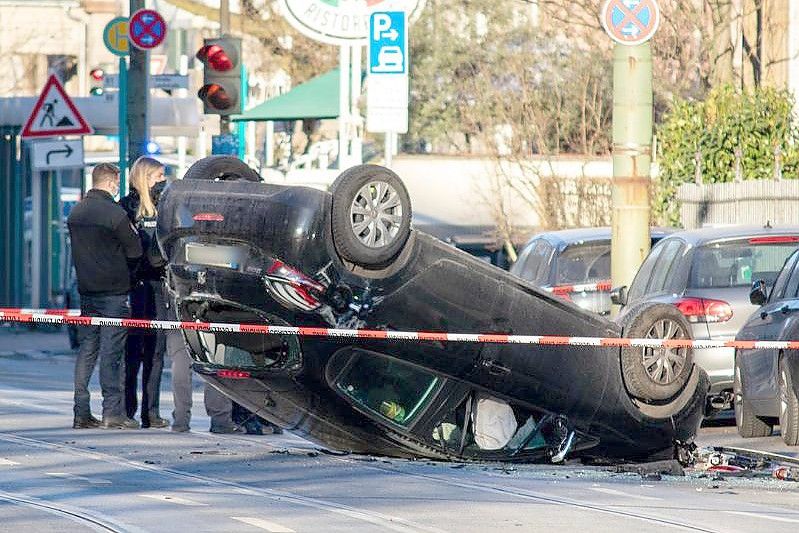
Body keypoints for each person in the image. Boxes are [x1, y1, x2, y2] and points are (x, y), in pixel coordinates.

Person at [67, 163, 142, 430]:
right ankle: (113, 412)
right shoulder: (115, 213)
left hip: (87, 291)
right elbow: (135, 251)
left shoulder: (76, 212)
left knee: (87, 350)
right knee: (112, 352)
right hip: (115, 293)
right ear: (112, 183)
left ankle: (81, 411)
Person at [119, 157, 169, 429]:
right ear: (146, 176)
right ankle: (128, 409)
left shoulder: (164, 208)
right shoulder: (127, 206)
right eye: (159, 175)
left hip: (159, 286)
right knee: (132, 351)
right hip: (135, 287)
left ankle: (152, 412)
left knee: (156, 352)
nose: (163, 181)